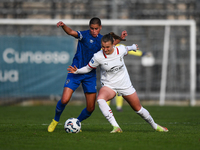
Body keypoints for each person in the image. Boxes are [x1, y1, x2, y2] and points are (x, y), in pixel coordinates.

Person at [67, 33, 169, 133]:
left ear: (113, 45)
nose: (105, 49)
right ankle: (116, 127)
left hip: (125, 84)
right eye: (103, 47)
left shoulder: (120, 49)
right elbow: (88, 68)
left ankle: (156, 126)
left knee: (139, 110)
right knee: (100, 99)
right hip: (109, 85)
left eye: (108, 47)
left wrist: (133, 47)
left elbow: (128, 48)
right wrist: (77, 71)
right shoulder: (98, 56)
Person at [48, 17, 127, 132]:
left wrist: (120, 38)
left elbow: (111, 44)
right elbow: (71, 32)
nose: (94, 31)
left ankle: (76, 122)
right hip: (75, 71)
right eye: (92, 28)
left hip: (89, 75)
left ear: (100, 28)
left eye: (96, 29)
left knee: (90, 108)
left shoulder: (101, 40)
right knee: (65, 100)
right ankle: (55, 120)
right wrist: (63, 25)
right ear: (89, 27)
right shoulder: (83, 35)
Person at [106, 45, 153, 112]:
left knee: (119, 90)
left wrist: (142, 53)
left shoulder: (120, 46)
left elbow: (131, 51)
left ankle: (119, 107)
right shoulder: (105, 46)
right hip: (108, 71)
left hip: (118, 71)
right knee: (108, 89)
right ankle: (106, 107)